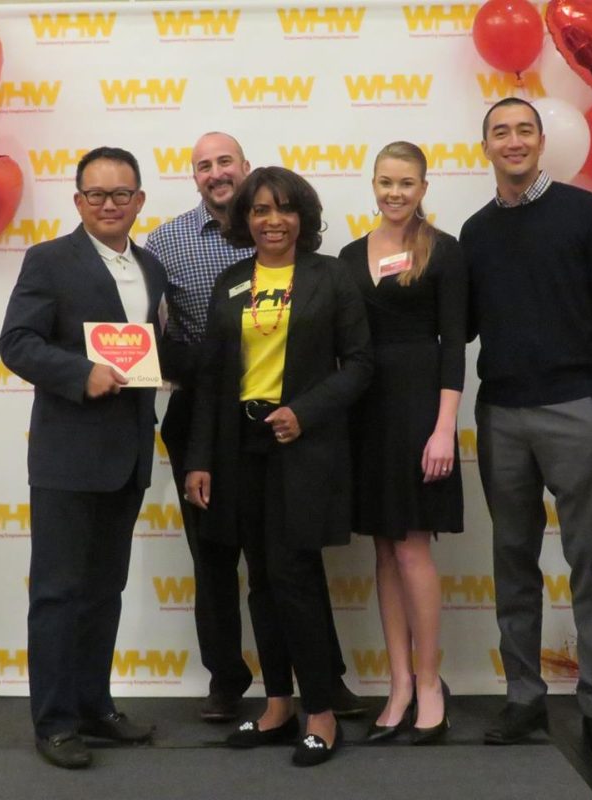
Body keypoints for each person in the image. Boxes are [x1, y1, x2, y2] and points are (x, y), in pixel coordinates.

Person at [145, 132, 367, 722]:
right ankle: (254, 694)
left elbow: (358, 363)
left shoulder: (327, 274)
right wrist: (199, 455)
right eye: (204, 165)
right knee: (240, 569)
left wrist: (305, 411)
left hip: (296, 435)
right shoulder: (198, 262)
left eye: (284, 209)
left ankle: (320, 698)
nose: (273, 220)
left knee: (292, 567)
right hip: (222, 432)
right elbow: (190, 363)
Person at [459, 98, 592, 764]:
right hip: (501, 415)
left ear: (539, 141)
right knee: (513, 561)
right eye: (500, 132)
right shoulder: (475, 232)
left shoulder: (583, 212)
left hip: (576, 410)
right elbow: (463, 324)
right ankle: (523, 697)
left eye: (523, 130)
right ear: (484, 147)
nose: (513, 141)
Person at [0, 147, 167, 769]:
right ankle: (55, 722)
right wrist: (80, 373)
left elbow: (149, 349)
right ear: (78, 201)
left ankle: (95, 707)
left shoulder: (151, 267)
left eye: (121, 194)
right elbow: (16, 342)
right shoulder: (49, 259)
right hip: (67, 457)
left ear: (139, 201)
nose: (109, 205)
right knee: (58, 594)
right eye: (96, 194)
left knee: (104, 591)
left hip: (128, 455)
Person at [339, 141, 466, 745]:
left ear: (423, 188)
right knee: (385, 551)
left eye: (407, 183)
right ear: (373, 184)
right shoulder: (347, 256)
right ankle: (399, 686)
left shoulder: (445, 250)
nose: (395, 193)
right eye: (386, 182)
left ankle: (431, 683)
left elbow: (454, 345)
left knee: (413, 548)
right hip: (366, 411)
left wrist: (445, 428)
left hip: (420, 408)